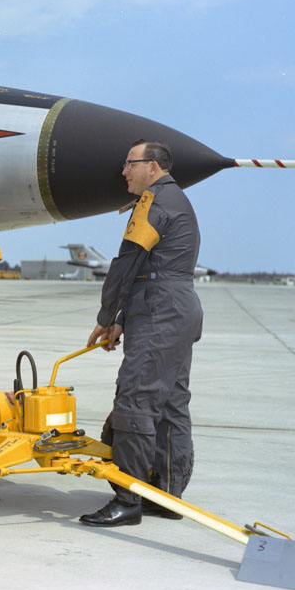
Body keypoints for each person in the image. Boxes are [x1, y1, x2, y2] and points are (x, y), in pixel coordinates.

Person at [80, 139, 203, 527]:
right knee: (169, 403)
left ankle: (128, 497)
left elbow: (128, 261)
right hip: (176, 307)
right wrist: (122, 318)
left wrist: (106, 314)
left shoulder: (153, 201)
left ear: (152, 166)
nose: (123, 172)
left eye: (129, 164)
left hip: (159, 309)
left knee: (135, 400)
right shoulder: (177, 200)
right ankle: (165, 494)